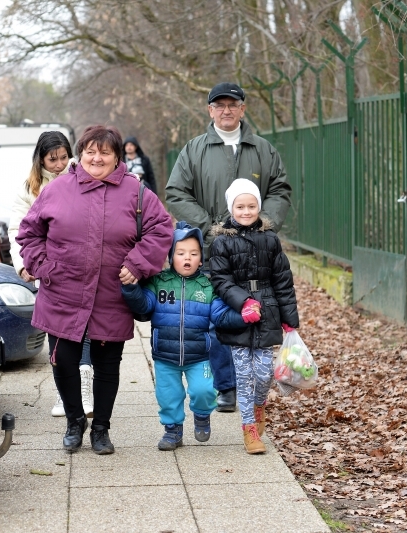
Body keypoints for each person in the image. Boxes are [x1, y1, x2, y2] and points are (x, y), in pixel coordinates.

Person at [17, 125, 173, 455]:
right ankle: (75, 422)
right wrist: (44, 266)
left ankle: (101, 428)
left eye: (104, 152)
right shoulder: (57, 189)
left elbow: (161, 230)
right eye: (90, 150)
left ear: (118, 157)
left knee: (106, 366)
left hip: (111, 295)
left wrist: (137, 263)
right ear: (81, 153)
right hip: (62, 292)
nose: (96, 157)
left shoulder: (136, 192)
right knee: (64, 362)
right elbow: (29, 233)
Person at [165, 82, 292, 413]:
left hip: (257, 251)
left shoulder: (262, 149)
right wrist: (210, 228)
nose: (225, 110)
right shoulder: (195, 149)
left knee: (258, 310)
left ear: (242, 109)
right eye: (218, 105)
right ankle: (226, 385)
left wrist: (263, 223)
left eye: (232, 104)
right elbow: (176, 191)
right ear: (210, 110)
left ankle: (256, 381)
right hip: (214, 250)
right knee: (219, 317)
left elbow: (280, 188)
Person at [120, 222, 246, 451]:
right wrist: (130, 288)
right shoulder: (159, 282)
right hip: (165, 356)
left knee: (204, 390)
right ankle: (172, 430)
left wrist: (244, 316)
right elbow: (144, 306)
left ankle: (201, 415)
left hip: (199, 355)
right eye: (180, 253)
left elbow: (220, 315)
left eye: (193, 253)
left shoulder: (207, 286)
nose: (187, 258)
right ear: (170, 256)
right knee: (168, 396)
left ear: (201, 259)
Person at [7, 131, 94, 419]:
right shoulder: (29, 189)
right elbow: (18, 229)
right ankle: (63, 390)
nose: (58, 164)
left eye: (63, 157)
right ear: (41, 159)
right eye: (51, 159)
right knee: (57, 330)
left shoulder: (83, 177)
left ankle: (84, 385)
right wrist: (24, 264)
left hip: (83, 266)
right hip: (50, 270)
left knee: (85, 328)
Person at [209, 179, 299, 454]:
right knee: (244, 376)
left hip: (268, 311)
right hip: (238, 315)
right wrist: (243, 302)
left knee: (263, 375)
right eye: (240, 206)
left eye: (251, 206)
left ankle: (260, 407)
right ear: (231, 208)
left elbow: (283, 280)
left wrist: (289, 320)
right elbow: (220, 280)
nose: (246, 212)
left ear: (259, 207)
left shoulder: (270, 240)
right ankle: (249, 429)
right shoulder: (222, 241)